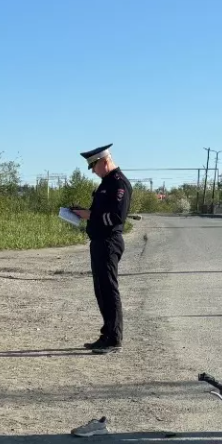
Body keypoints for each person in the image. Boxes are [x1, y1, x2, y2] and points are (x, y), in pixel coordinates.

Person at [71, 144, 131, 354]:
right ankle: (106, 334)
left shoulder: (118, 183)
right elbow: (100, 211)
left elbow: (116, 217)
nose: (94, 171)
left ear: (104, 161)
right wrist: (83, 212)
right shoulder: (106, 183)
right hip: (98, 242)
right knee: (101, 291)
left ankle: (114, 339)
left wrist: (89, 215)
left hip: (109, 242)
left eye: (94, 167)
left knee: (109, 289)